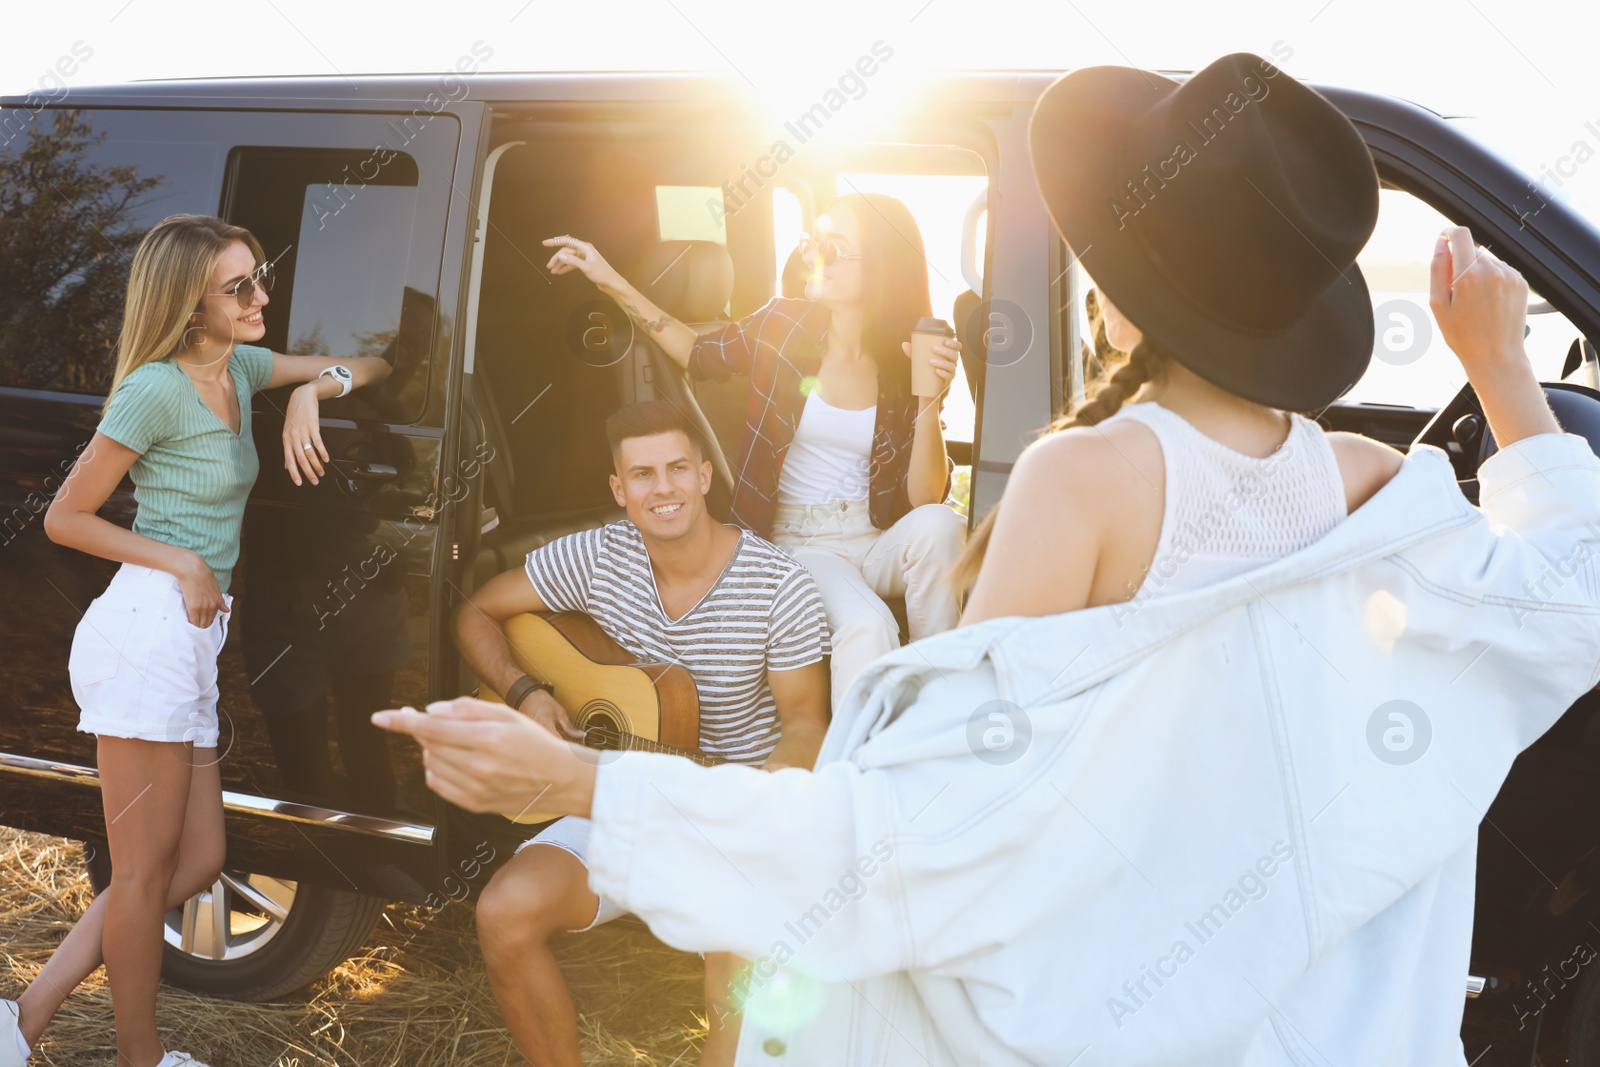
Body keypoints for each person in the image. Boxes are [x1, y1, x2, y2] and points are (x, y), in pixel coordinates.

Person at [375, 53, 1600, 1064]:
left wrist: (583, 784)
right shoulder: (1373, 483)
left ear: (1115, 292)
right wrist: (1496, 366)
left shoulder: (1088, 477)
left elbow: (924, 827)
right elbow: (1567, 594)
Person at [1, 214, 390, 1067]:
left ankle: (22, 1015)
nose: (260, 297)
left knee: (200, 854)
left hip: (192, 641)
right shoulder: (155, 387)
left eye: (261, 278)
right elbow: (66, 517)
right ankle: (140, 1055)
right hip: (147, 629)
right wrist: (180, 560)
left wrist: (308, 393)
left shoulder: (242, 367)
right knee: (142, 877)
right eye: (238, 286)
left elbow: (374, 363)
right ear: (189, 305)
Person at [453, 399, 831, 1067]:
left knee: (736, 977)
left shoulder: (780, 584)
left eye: (678, 468)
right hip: (617, 797)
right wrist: (527, 692)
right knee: (503, 911)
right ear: (619, 490)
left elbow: (806, 720)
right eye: (644, 473)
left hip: (729, 807)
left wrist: (771, 791)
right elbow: (477, 610)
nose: (664, 488)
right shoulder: (600, 555)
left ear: (705, 476)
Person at [541, 193, 966, 710]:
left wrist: (930, 399)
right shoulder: (781, 326)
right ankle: (853, 773)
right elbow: (695, 353)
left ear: (881, 266)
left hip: (874, 534)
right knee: (867, 625)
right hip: (803, 541)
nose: (815, 257)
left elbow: (925, 499)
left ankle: (940, 704)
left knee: (945, 527)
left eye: (836, 247)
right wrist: (608, 278)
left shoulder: (907, 355)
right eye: (814, 244)